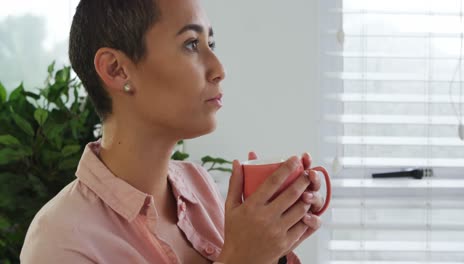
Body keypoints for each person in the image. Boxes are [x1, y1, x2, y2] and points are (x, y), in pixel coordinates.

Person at [20, 0, 324, 263]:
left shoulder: (199, 185)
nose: (219, 68)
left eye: (211, 45)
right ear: (116, 69)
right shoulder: (59, 240)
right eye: (192, 44)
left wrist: (272, 247)